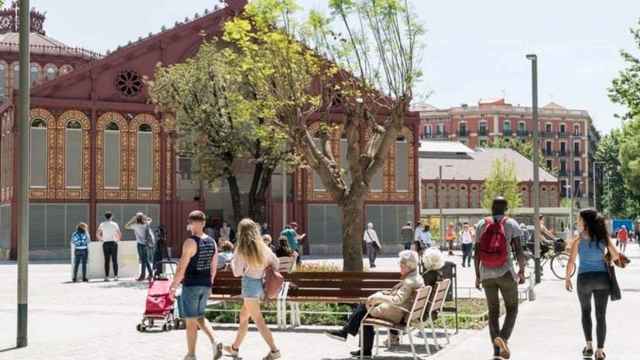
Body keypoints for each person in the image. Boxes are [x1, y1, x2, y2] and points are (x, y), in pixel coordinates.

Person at [324, 250, 424, 358]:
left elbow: (397, 300)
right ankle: (351, 338)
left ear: (407, 266)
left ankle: (346, 333)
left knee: (364, 309)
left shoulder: (409, 281)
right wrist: (382, 294)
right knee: (365, 309)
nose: (400, 267)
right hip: (402, 311)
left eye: (401, 265)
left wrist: (378, 297)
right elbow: (400, 296)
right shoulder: (415, 277)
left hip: (397, 313)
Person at [565, 209, 623, 360]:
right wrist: (606, 256)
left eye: (579, 219)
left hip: (584, 279)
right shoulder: (602, 238)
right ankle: (600, 351)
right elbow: (616, 255)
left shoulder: (578, 240)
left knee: (585, 312)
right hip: (602, 279)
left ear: (585, 222)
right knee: (601, 315)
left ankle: (589, 346)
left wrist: (567, 278)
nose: (578, 222)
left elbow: (571, 262)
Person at [474, 197, 526, 360]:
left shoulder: (481, 224)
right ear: (506, 208)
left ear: (491, 208)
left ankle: (497, 352)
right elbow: (519, 251)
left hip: (486, 275)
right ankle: (503, 339)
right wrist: (522, 271)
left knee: (493, 312)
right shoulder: (511, 224)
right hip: (505, 273)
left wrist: (477, 276)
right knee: (512, 308)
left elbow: (476, 253)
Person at [224, 218, 281, 360]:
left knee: (258, 320)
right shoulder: (263, 247)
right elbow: (276, 263)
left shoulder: (241, 249)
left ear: (240, 232)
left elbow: (237, 273)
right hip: (259, 285)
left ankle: (274, 350)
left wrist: (231, 262)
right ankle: (234, 348)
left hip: (249, 285)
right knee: (244, 317)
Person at [170, 210, 221, 360]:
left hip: (191, 285)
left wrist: (173, 286)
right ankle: (215, 340)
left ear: (190, 223)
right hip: (205, 284)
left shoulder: (190, 242)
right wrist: (210, 283)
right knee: (200, 317)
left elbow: (181, 268)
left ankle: (191, 354)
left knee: (191, 321)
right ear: (204, 223)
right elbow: (214, 266)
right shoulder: (212, 242)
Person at [126, 212, 154, 281]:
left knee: (143, 260)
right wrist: (144, 217)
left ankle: (143, 276)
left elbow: (126, 226)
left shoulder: (135, 225)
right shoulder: (146, 224)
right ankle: (150, 274)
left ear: (136, 218)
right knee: (146, 260)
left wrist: (133, 219)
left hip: (140, 244)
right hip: (146, 244)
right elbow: (150, 219)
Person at [97, 211, 121, 282]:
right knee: (114, 260)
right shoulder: (115, 224)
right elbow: (119, 233)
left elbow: (97, 233)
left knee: (106, 260)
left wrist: (101, 239)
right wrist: (117, 240)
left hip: (105, 243)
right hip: (113, 243)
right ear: (111, 217)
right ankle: (116, 276)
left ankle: (106, 277)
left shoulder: (102, 224)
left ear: (105, 217)